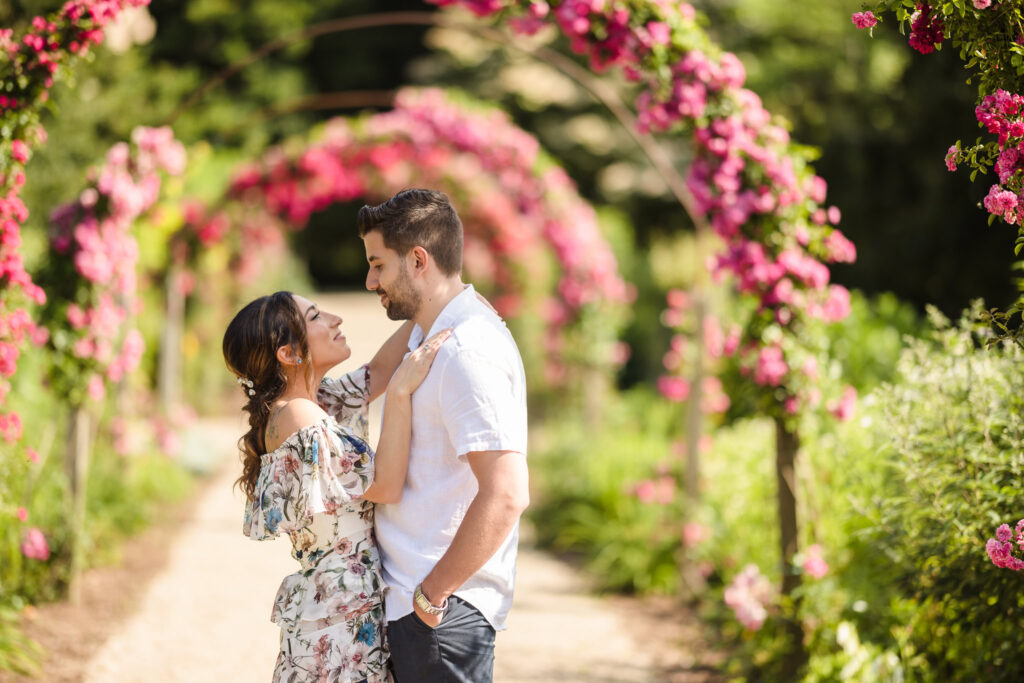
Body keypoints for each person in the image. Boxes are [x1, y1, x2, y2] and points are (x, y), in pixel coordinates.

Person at [222, 290, 451, 683]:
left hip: (341, 603)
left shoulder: (310, 402)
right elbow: (385, 485)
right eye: (315, 317)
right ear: (289, 353)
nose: (335, 319)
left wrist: (431, 300)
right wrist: (399, 394)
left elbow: (376, 373)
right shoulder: (300, 416)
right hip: (340, 617)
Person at [358, 188, 530, 683]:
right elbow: (365, 380)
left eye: (378, 265)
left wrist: (430, 596)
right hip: (419, 612)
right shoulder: (428, 331)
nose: (370, 281)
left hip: (440, 618)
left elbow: (507, 493)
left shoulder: (466, 351)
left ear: (418, 260)